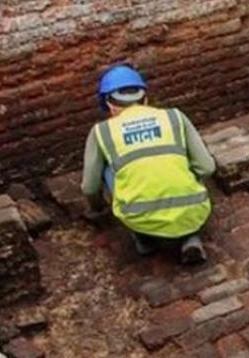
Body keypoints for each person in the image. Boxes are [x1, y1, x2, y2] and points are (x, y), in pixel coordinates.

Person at [80, 65, 215, 264]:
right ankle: (190, 238)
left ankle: (144, 239)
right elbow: (207, 167)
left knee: (109, 168)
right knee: (179, 156)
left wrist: (98, 208)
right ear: (145, 98)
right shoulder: (174, 116)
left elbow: (89, 187)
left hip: (138, 216)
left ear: (109, 104)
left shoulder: (102, 132)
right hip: (194, 209)